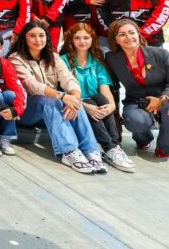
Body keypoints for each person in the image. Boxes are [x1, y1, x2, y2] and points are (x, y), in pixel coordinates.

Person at [9, 21, 102, 174]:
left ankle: (91, 150)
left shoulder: (53, 57)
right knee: (51, 99)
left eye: (41, 35)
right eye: (32, 36)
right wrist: (62, 96)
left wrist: (75, 97)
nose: (38, 40)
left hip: (50, 111)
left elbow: (68, 79)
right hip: (26, 111)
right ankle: (69, 151)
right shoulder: (16, 59)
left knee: (75, 102)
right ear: (24, 39)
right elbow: (33, 86)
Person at [105, 18, 169, 159]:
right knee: (136, 121)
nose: (128, 37)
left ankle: (164, 145)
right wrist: (114, 112)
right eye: (122, 34)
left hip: (165, 100)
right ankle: (143, 137)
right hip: (136, 101)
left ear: (138, 34)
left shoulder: (160, 54)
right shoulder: (112, 59)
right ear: (116, 40)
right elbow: (112, 86)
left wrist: (163, 98)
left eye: (131, 32)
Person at [59, 23, 133, 171]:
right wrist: (86, 107)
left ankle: (113, 147)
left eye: (86, 37)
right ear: (71, 41)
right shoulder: (63, 60)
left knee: (102, 100)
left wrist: (111, 106)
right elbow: (64, 91)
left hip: (94, 102)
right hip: (73, 103)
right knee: (91, 101)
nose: (82, 41)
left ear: (92, 39)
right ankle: (110, 147)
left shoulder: (97, 62)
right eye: (78, 38)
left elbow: (104, 88)